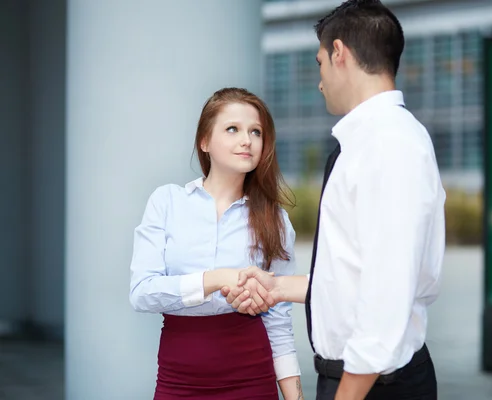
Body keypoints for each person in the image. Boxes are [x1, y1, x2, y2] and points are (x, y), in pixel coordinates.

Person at [222, 1, 446, 399]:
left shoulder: (389, 145)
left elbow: (385, 295)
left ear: (339, 53)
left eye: (320, 62)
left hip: (371, 385)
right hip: (364, 380)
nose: (320, 80)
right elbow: (352, 277)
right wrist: (274, 287)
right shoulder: (370, 142)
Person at [129, 88, 304, 400]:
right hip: (177, 379)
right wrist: (217, 279)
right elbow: (142, 293)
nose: (247, 140)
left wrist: (295, 397)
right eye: (232, 129)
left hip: (252, 377)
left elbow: (279, 320)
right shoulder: (167, 202)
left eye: (256, 132)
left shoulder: (274, 218)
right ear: (205, 141)